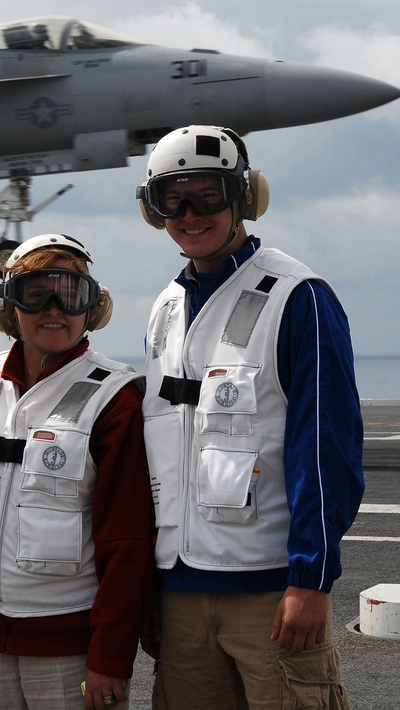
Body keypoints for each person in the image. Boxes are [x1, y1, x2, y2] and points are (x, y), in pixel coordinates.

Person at [135, 125, 365, 709]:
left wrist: (311, 578)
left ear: (245, 197)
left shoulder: (299, 296)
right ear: (153, 209)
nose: (190, 214)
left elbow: (324, 446)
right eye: (172, 198)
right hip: (181, 591)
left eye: (208, 195)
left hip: (271, 589)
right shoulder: (164, 308)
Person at [0, 234, 154, 709]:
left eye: (70, 292)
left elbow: (128, 540)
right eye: (35, 293)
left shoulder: (114, 399)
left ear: (92, 305)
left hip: (70, 645)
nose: (53, 308)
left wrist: (110, 657)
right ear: (7, 305)